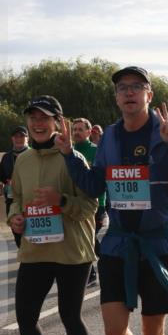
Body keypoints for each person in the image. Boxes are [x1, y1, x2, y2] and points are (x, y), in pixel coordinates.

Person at [54, 67, 168, 335]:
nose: (129, 93)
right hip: (117, 243)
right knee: (114, 330)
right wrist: (70, 155)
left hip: (157, 243)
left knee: (152, 330)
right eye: (122, 88)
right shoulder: (109, 138)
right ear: (116, 98)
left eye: (136, 87)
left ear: (149, 95)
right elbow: (95, 185)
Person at [8, 96, 98, 335]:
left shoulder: (72, 158)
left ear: (59, 123)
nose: (37, 123)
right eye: (32, 118)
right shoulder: (23, 160)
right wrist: (14, 218)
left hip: (71, 250)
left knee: (69, 315)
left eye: (44, 118)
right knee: (25, 316)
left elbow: (90, 205)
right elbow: (16, 198)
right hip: (35, 250)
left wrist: (60, 201)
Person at [71, 118, 107, 285]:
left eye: (80, 129)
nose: (77, 132)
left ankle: (105, 262)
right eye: (74, 129)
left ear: (89, 132)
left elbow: (102, 180)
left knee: (89, 238)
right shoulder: (67, 151)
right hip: (75, 205)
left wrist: (103, 205)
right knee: (83, 238)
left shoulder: (97, 151)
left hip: (96, 204)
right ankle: (96, 270)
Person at [0, 126, 29, 248]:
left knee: (30, 232)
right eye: (16, 137)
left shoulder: (33, 155)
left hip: (29, 199)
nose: (19, 139)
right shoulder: (6, 157)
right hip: (11, 200)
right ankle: (23, 256)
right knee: (16, 232)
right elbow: (1, 177)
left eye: (22, 136)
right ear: (12, 139)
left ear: (27, 139)